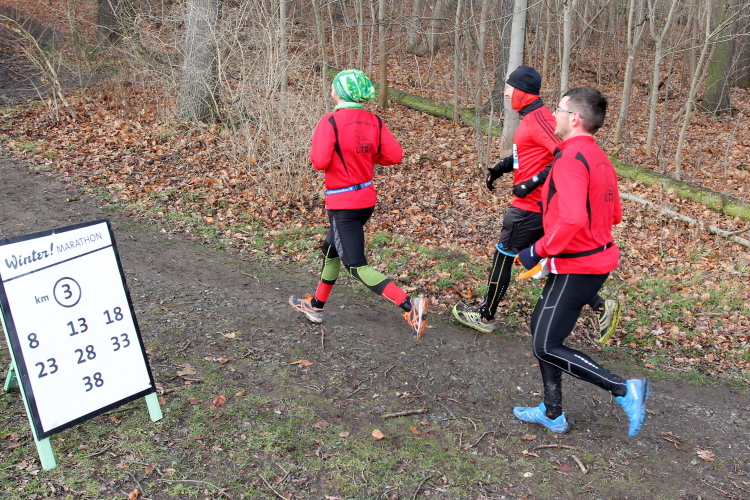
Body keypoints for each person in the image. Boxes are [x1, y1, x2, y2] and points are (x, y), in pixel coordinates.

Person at [513, 86, 648, 437]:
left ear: (574, 118)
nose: (553, 116)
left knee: (546, 344)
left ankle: (623, 389)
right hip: (587, 259)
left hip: (580, 265)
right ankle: (552, 411)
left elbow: (572, 219)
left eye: (558, 110)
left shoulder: (571, 159)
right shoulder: (599, 157)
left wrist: (538, 250)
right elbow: (614, 214)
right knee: (541, 329)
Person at [452, 66, 620, 342]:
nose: (506, 93)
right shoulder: (531, 118)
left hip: (531, 206)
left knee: (504, 256)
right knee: (541, 257)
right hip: (537, 207)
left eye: (509, 88)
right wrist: (502, 167)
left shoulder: (541, 120)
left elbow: (562, 154)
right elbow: (528, 152)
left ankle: (484, 315)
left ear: (522, 91)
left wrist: (530, 183)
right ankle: (600, 305)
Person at [289, 69, 428, 339]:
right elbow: (394, 155)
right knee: (331, 249)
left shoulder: (330, 121)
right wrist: (365, 157)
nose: (331, 89)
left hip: (343, 204)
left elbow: (319, 161)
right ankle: (316, 306)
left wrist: (330, 156)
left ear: (341, 92)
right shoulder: (373, 121)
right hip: (365, 200)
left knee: (355, 265)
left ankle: (410, 305)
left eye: (334, 86)